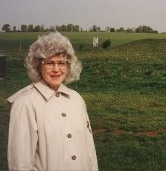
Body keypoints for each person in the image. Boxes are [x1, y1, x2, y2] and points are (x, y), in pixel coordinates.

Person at [7, 32, 98, 171]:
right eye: (49, 63)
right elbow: (20, 163)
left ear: (68, 66)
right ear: (38, 66)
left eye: (61, 63)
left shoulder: (76, 99)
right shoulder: (25, 103)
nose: (56, 69)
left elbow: (90, 150)